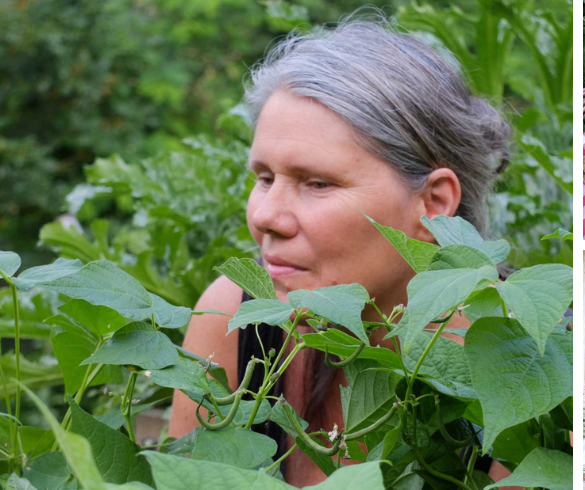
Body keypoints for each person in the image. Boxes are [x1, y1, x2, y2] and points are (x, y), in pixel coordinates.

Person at [166, 20, 515, 486]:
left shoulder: (525, 365)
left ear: (432, 205)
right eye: (264, 177)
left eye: (317, 183)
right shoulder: (233, 316)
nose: (267, 216)